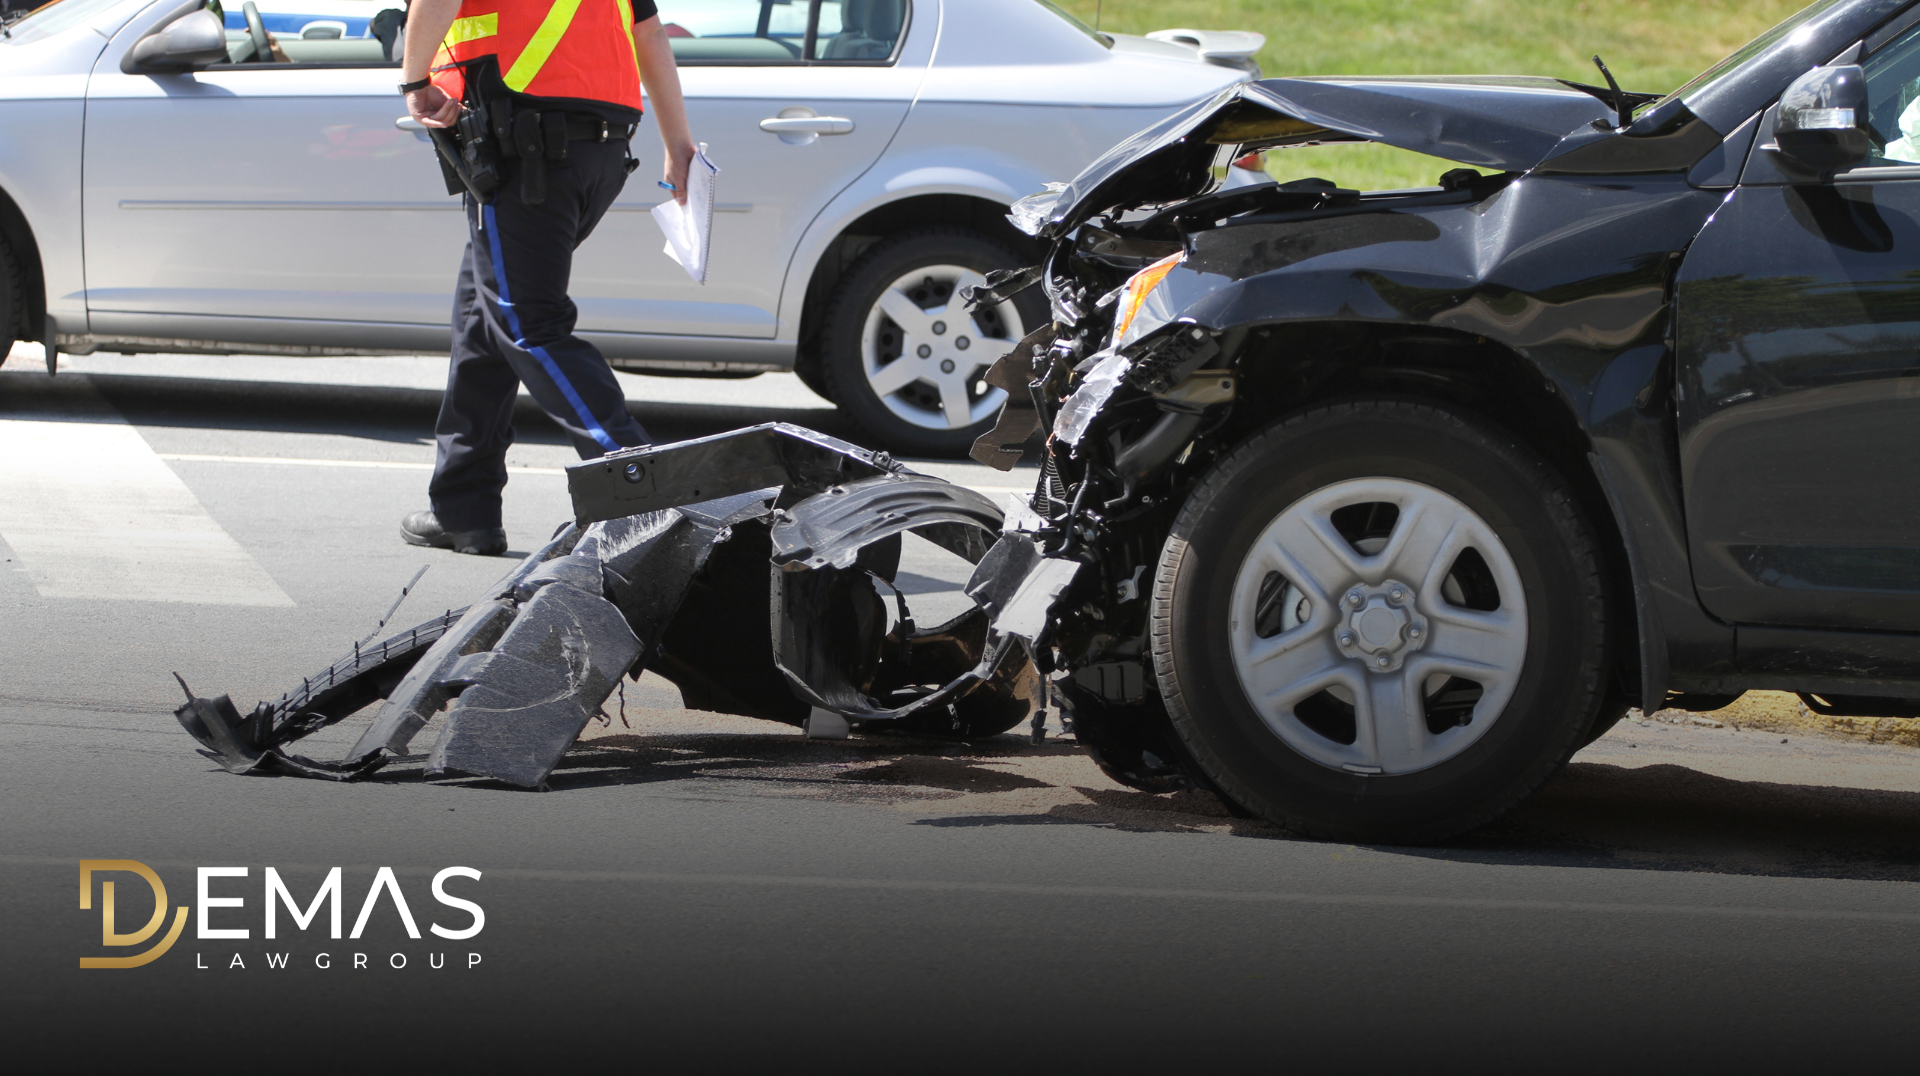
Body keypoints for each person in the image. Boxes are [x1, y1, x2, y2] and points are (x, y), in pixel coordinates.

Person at [396, 0, 694, 554]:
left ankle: (645, 493)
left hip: (526, 146)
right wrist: (678, 143)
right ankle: (465, 508)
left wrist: (414, 82)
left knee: (529, 324)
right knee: (481, 320)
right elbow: (648, 33)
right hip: (598, 151)